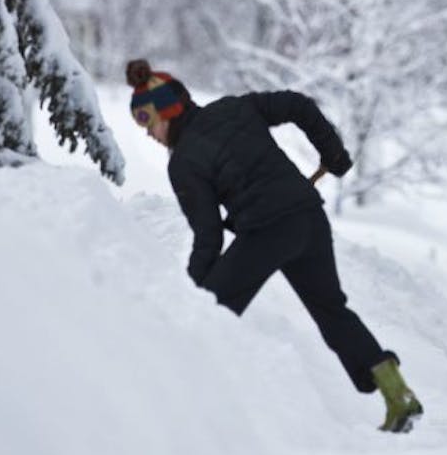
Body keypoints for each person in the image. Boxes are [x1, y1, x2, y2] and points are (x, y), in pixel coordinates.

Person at [125, 59, 423, 432]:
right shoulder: (233, 107)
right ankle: (397, 393)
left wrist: (192, 293)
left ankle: (189, 411)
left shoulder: (183, 162)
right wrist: (333, 154)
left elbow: (208, 236)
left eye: (147, 122)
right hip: (308, 217)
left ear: (167, 112)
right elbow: (298, 104)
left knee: (208, 313)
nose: (149, 134)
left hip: (267, 232)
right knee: (332, 311)